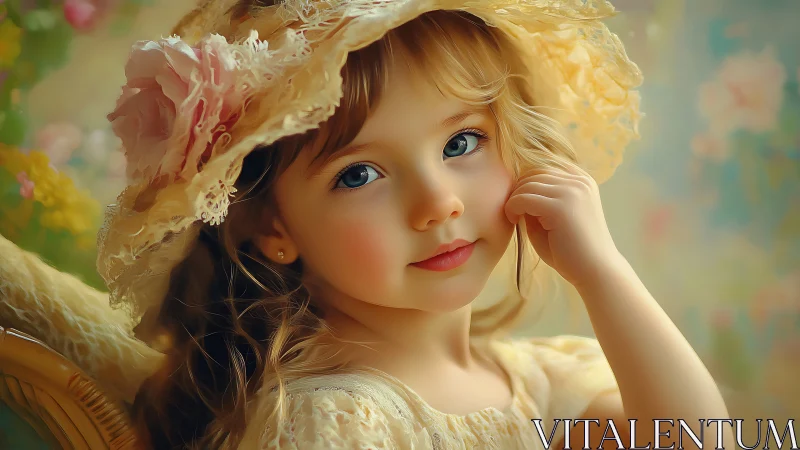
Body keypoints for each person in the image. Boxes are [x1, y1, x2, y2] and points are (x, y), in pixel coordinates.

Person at [0, 0, 733, 449]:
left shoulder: (535, 379)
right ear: (269, 224)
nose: (438, 202)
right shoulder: (331, 424)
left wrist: (604, 274)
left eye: (461, 143)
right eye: (359, 174)